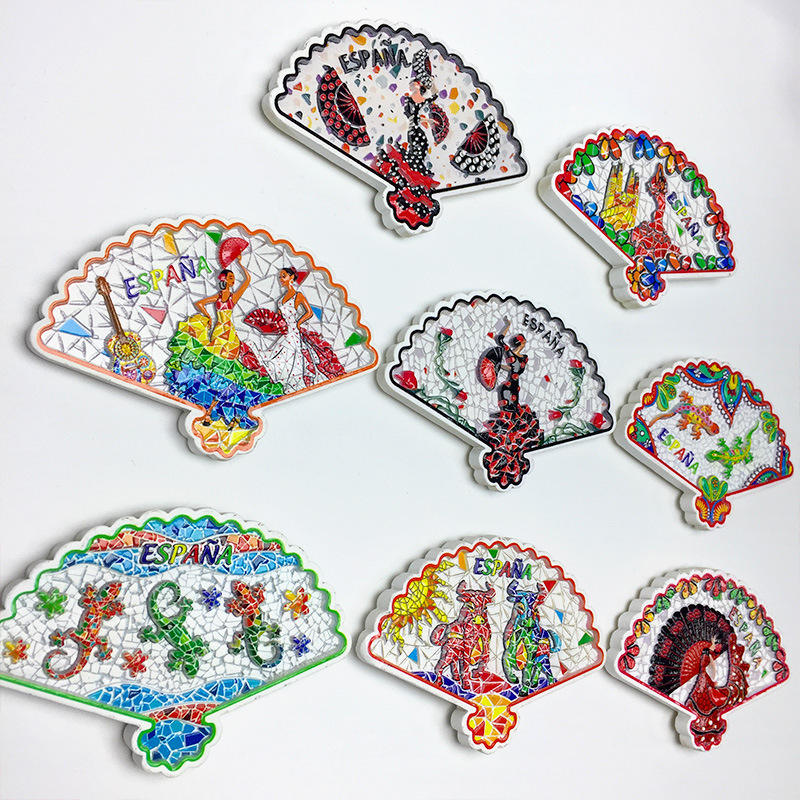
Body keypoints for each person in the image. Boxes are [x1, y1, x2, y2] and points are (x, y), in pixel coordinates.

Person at [480, 320, 543, 488]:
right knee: (508, 413)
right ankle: (502, 446)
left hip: (514, 387)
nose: (524, 343)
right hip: (507, 388)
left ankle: (510, 447)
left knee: (515, 413)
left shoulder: (521, 357)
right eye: (522, 341)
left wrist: (501, 366)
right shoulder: (511, 354)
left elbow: (512, 369)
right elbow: (500, 339)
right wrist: (507, 325)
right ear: (520, 343)